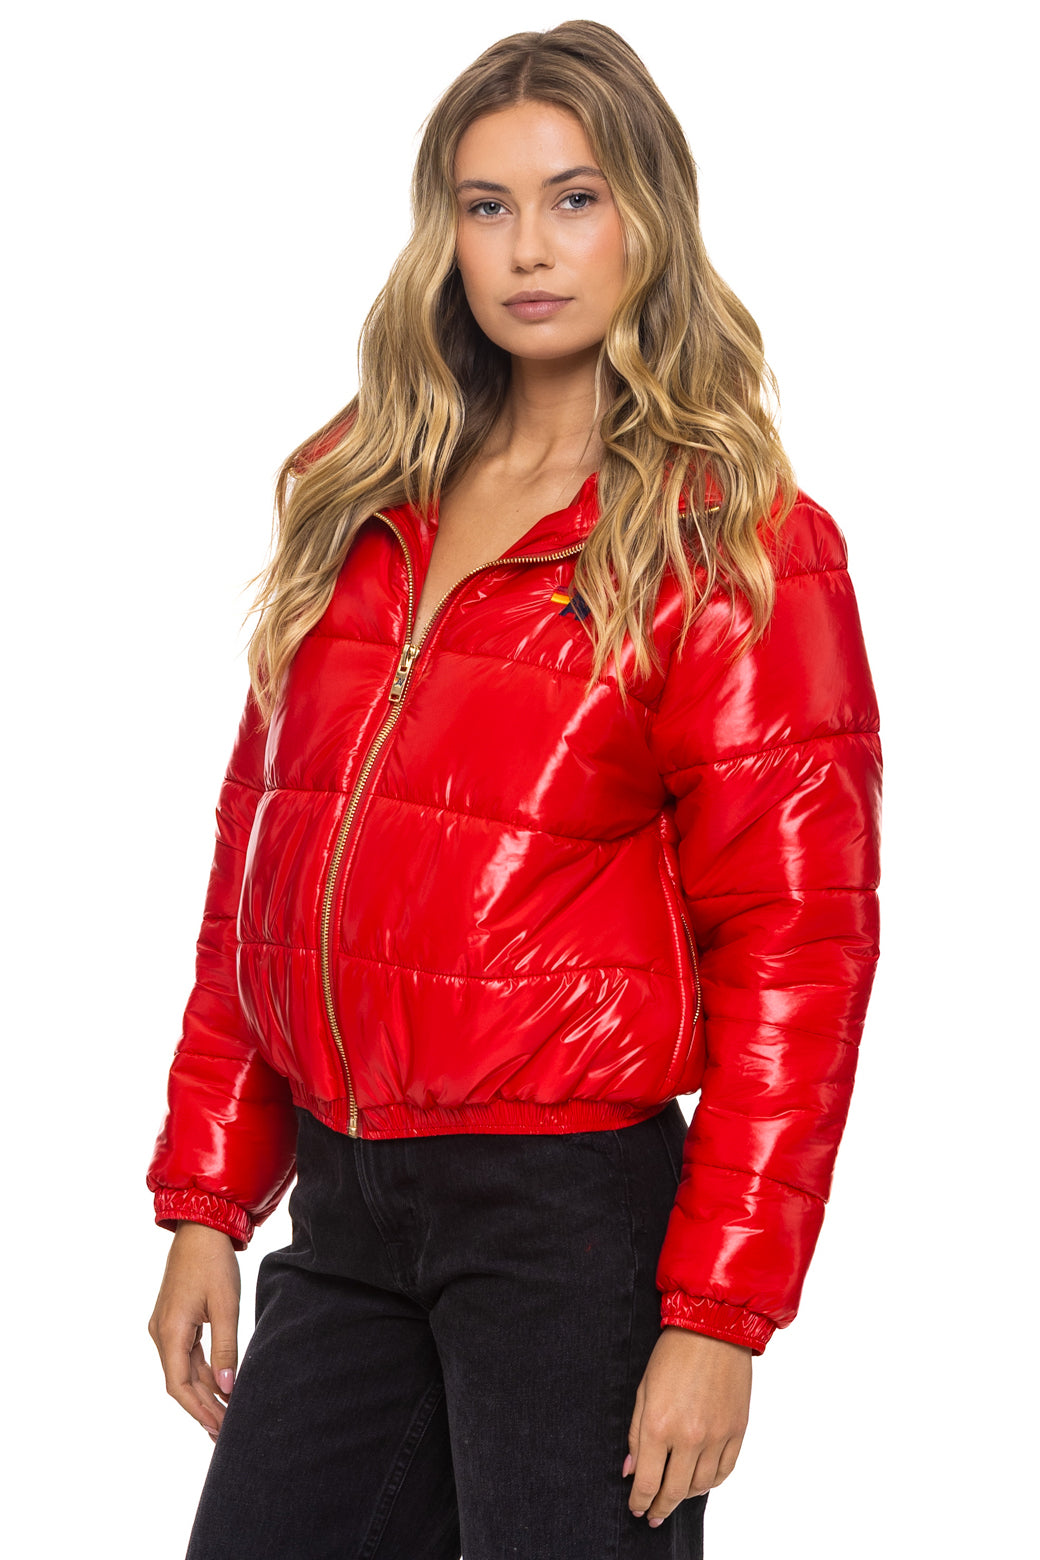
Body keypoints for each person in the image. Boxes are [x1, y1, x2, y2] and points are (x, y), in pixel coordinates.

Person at [146, 19, 882, 1560]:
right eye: (488, 206)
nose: (529, 248)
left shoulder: (731, 543)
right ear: (447, 234)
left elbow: (798, 951)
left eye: (574, 198)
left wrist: (720, 1315)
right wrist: (211, 1195)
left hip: (569, 1226)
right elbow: (256, 868)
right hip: (346, 1207)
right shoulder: (358, 498)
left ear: (648, 219)